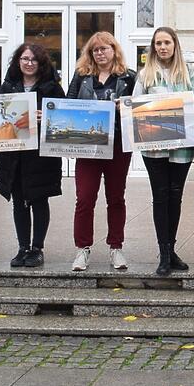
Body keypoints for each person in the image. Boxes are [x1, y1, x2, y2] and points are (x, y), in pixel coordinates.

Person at [66, 32, 137, 272]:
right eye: (95, 50)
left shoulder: (129, 77)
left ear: (114, 50)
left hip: (118, 145)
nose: (100, 53)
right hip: (88, 146)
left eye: (104, 48)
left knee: (116, 197)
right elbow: (69, 105)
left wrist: (124, 107)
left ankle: (116, 247)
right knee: (84, 198)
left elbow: (139, 110)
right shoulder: (81, 77)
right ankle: (82, 249)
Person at [133, 27, 194, 276]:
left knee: (175, 196)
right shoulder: (145, 76)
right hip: (154, 149)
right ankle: (163, 253)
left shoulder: (188, 72)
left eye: (167, 42)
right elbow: (136, 109)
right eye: (158, 43)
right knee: (160, 196)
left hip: (181, 148)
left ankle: (171, 250)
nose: (162, 47)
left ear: (175, 45)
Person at [0, 43, 65, 268]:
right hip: (14, 155)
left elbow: (64, 118)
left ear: (41, 63)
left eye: (34, 60)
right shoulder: (7, 87)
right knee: (18, 203)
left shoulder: (52, 88)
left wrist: (44, 116)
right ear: (18, 61)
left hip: (41, 155)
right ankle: (22, 247)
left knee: (39, 199)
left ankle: (37, 248)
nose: (29, 63)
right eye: (25, 59)